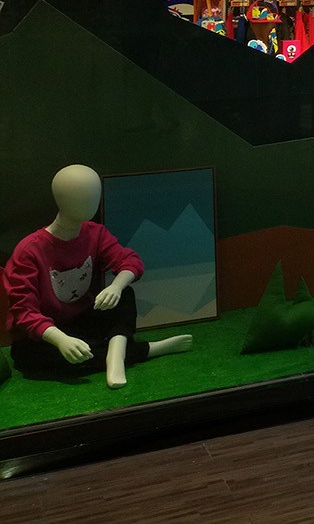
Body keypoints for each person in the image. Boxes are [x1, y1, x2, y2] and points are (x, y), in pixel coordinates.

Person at [3, 165, 192, 388]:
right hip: (45, 334)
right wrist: (60, 339)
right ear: (61, 199)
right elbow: (24, 312)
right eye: (79, 195)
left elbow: (130, 261)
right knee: (35, 359)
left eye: (93, 194)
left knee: (125, 295)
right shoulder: (29, 251)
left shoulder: (95, 233)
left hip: (83, 319)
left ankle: (116, 355)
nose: (89, 201)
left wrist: (117, 286)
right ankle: (144, 350)